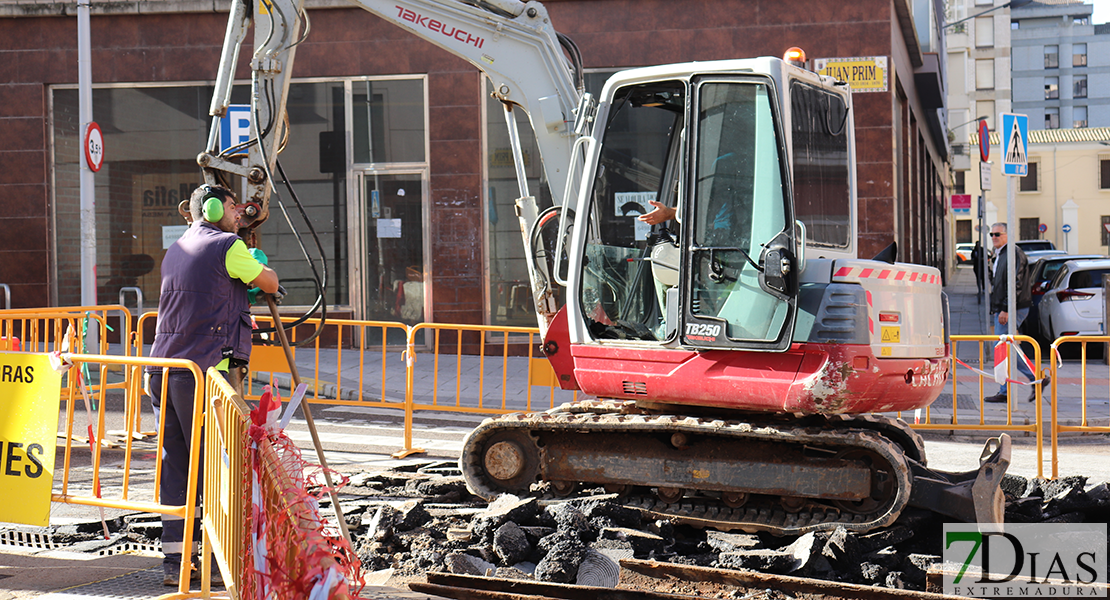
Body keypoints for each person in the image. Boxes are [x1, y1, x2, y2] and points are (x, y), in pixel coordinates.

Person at [146, 184, 279, 586]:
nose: (240, 213)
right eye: (235, 206)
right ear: (215, 207)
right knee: (217, 467)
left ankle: (176, 563)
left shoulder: (177, 248)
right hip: (203, 371)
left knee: (177, 465)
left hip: (163, 368)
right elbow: (270, 282)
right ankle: (217, 563)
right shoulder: (227, 245)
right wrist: (256, 266)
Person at [984, 222, 1038, 404]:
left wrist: (1006, 308)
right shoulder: (1002, 254)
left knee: (1004, 349)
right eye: (992, 234)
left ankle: (1034, 378)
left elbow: (1015, 282)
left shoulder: (1013, 253)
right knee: (1006, 348)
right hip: (1005, 306)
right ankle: (1009, 388)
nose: (993, 237)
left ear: (1008, 235)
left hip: (1011, 307)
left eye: (997, 234)